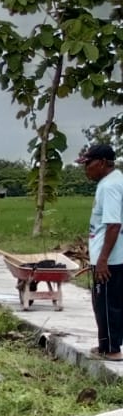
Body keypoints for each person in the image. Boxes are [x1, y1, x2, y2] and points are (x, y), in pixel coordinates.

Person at [81, 144, 123, 361]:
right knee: (114, 302)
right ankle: (109, 345)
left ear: (103, 162)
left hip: (110, 259)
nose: (86, 169)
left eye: (89, 163)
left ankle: (111, 349)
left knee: (105, 304)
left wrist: (103, 260)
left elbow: (113, 225)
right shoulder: (116, 180)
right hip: (115, 255)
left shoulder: (109, 186)